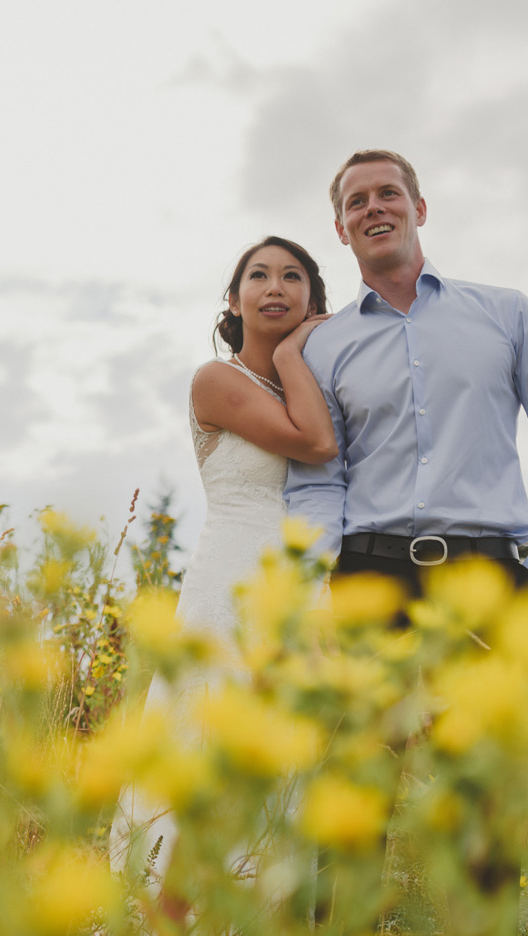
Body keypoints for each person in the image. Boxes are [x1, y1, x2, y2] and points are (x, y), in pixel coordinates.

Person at [110, 236, 334, 880]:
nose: (275, 288)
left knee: (285, 767)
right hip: (232, 582)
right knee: (206, 747)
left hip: (304, 591)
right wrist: (294, 348)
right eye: (258, 276)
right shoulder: (216, 380)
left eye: (292, 277)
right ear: (234, 300)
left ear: (313, 298)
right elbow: (314, 442)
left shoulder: (312, 384)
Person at [285, 150, 528, 596]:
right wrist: (314, 593)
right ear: (341, 230)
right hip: (367, 585)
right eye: (357, 201)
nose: (373, 206)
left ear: (420, 209)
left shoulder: (509, 314)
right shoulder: (324, 345)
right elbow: (318, 482)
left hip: (490, 584)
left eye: (388, 193)